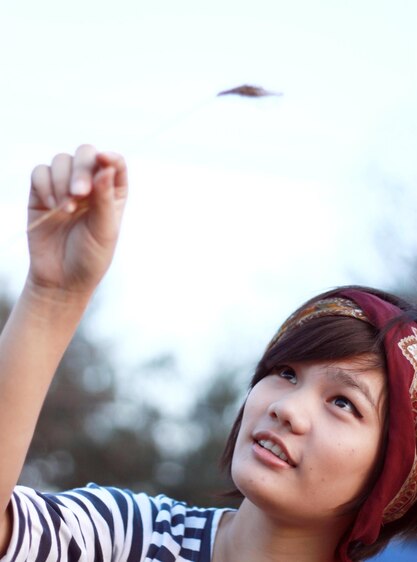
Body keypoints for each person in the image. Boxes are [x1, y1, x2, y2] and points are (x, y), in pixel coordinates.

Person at [0, 145, 416, 562]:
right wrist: (53, 296)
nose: (287, 408)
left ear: (395, 478)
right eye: (286, 372)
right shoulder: (128, 537)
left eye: (343, 402)